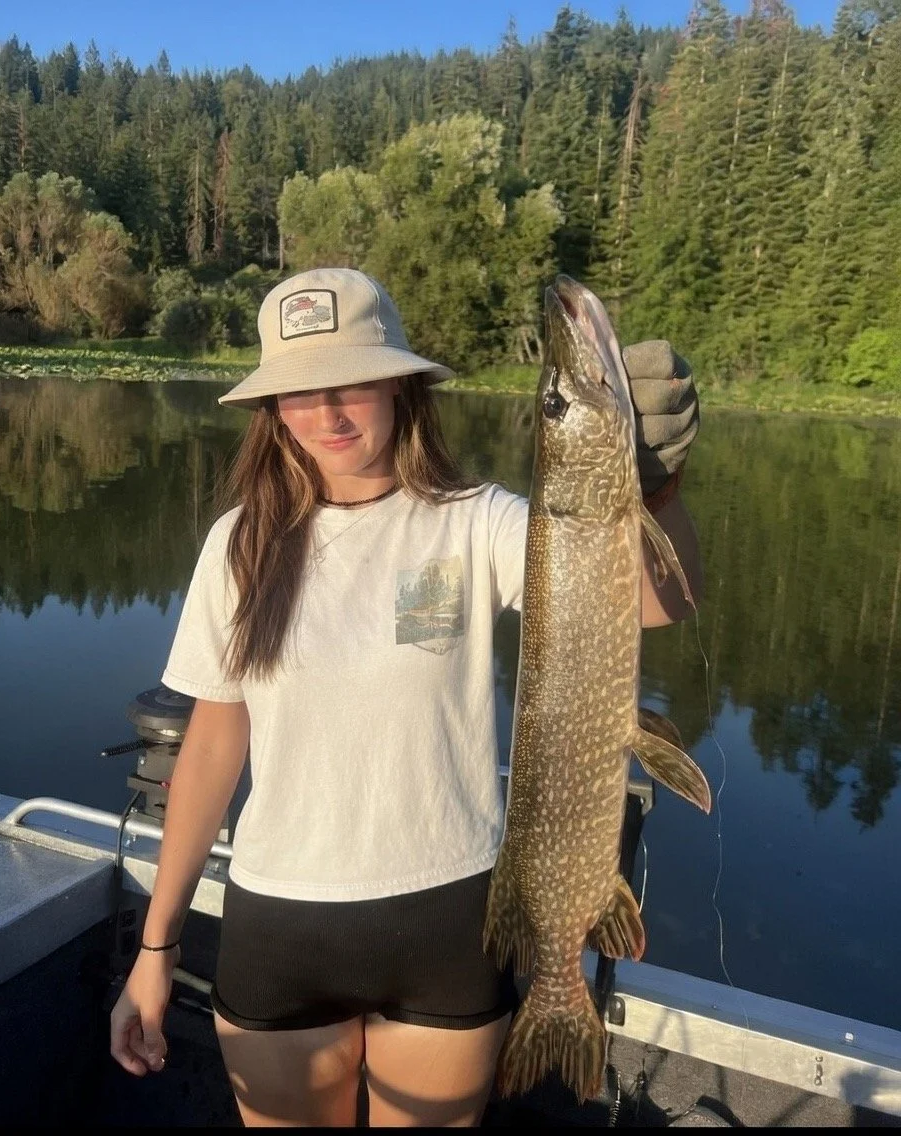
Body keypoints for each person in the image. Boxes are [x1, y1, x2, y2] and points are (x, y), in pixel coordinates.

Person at [109, 267, 702, 1127]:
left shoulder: (479, 521)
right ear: (270, 409)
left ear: (399, 383)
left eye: (350, 382)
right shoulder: (238, 545)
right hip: (283, 927)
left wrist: (656, 490)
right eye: (297, 393)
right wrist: (155, 948)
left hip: (452, 921)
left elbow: (656, 603)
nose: (327, 414)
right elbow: (209, 748)